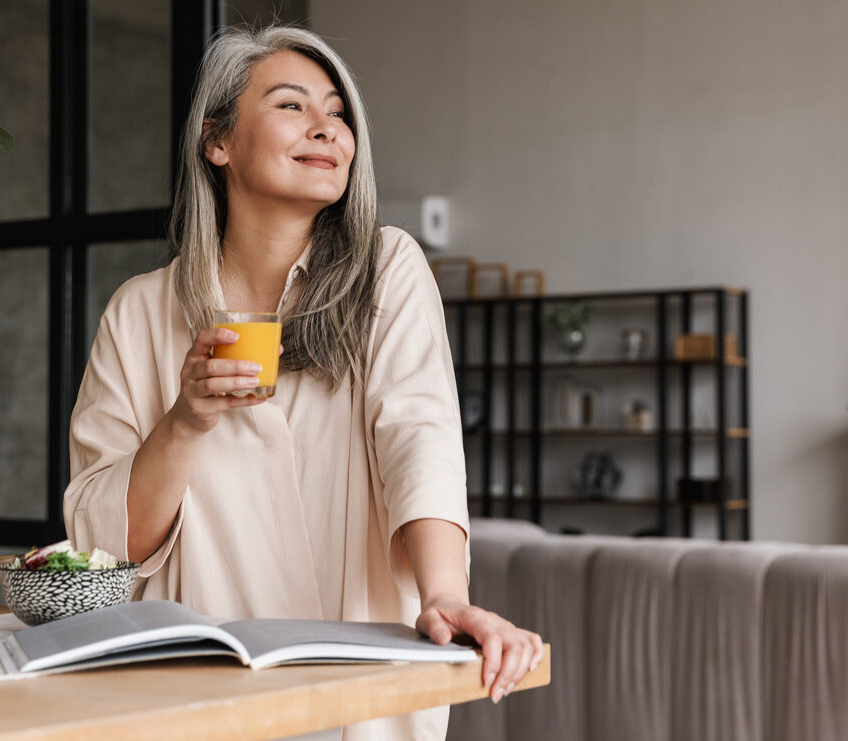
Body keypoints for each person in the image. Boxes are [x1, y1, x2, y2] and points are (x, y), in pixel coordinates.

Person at [64, 25, 542, 740]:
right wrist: (185, 421)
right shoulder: (140, 312)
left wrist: (445, 593)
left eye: (339, 112)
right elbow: (105, 547)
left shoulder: (389, 268)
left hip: (359, 690)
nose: (328, 128)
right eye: (292, 105)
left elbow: (419, 439)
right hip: (195, 695)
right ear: (216, 140)